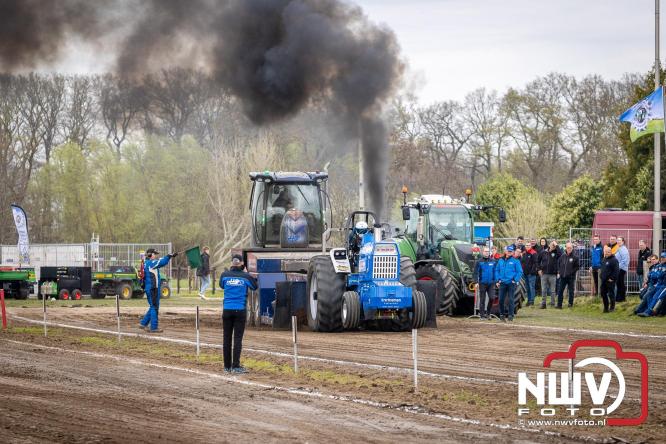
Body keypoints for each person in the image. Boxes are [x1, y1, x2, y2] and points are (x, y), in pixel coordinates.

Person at [220, 254, 258, 373]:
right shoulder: (245, 276)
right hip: (240, 310)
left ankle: (227, 367)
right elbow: (254, 287)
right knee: (237, 339)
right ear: (242, 263)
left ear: (232, 263)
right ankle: (236, 366)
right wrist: (246, 273)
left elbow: (221, 285)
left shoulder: (224, 275)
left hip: (226, 310)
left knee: (226, 338)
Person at [139, 248, 177, 333]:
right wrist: (169, 256)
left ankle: (143, 323)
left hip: (150, 288)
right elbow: (161, 262)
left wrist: (169, 256)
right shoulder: (151, 263)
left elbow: (160, 260)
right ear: (150, 255)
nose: (156, 255)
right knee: (154, 307)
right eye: (154, 254)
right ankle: (154, 327)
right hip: (153, 289)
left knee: (153, 306)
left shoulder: (146, 263)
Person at [496, 245, 523, 321]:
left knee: (511, 299)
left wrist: (515, 280)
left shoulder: (515, 261)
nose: (509, 252)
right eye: (508, 251)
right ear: (505, 251)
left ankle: (511, 316)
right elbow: (497, 270)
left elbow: (520, 271)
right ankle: (502, 315)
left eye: (511, 251)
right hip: (502, 283)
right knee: (501, 299)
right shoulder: (501, 260)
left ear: (513, 252)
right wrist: (498, 280)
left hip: (511, 283)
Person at [638, 252, 666, 317]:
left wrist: (659, 274)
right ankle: (647, 311)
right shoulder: (659, 266)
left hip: (664, 285)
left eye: (664, 258)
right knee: (651, 296)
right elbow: (656, 275)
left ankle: (651, 312)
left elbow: (658, 275)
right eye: (662, 257)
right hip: (659, 285)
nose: (662, 259)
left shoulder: (660, 266)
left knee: (657, 298)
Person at [473, 246, 497, 319]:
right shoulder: (479, 262)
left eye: (488, 251)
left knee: (492, 298)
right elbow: (475, 273)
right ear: (482, 252)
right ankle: (482, 315)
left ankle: (488, 313)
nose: (487, 253)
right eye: (485, 251)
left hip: (491, 283)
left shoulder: (493, 261)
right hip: (482, 283)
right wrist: (476, 282)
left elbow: (496, 272)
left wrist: (497, 281)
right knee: (482, 299)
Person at [537, 240, 560, 308]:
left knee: (552, 291)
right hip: (544, 274)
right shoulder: (543, 252)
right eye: (552, 245)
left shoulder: (556, 253)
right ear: (549, 245)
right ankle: (543, 304)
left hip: (553, 274)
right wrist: (539, 269)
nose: (553, 247)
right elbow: (538, 261)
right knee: (544, 290)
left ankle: (552, 304)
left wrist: (557, 245)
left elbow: (561, 254)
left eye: (554, 246)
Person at [557, 242, 580, 308]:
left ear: (572, 248)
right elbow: (558, 264)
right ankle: (559, 305)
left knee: (571, 291)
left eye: (570, 248)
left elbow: (577, 267)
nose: (569, 249)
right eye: (567, 248)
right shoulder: (562, 256)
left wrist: (571, 272)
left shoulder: (575, 257)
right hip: (563, 277)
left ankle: (570, 304)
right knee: (560, 291)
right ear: (566, 248)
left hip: (571, 277)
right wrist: (559, 272)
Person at [599, 246, 619, 313]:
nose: (607, 253)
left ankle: (612, 308)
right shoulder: (604, 259)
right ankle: (606, 308)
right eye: (606, 252)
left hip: (610, 281)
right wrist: (601, 276)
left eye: (608, 252)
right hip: (604, 280)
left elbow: (616, 271)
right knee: (603, 294)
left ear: (611, 252)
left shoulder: (614, 260)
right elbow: (603, 269)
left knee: (611, 294)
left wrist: (612, 278)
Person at [521, 241, 538, 306]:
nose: (527, 246)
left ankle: (532, 301)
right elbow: (522, 262)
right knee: (527, 288)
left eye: (528, 245)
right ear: (525, 246)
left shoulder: (533, 253)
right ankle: (528, 300)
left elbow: (535, 263)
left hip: (531, 274)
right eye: (526, 245)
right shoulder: (524, 253)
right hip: (525, 273)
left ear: (531, 246)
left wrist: (532, 272)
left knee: (531, 287)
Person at [615, 237, 629, 302]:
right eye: (617, 240)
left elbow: (624, 260)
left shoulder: (623, 249)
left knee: (620, 283)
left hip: (621, 269)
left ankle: (621, 298)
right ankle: (620, 298)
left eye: (619, 240)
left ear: (623, 242)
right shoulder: (620, 248)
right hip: (620, 268)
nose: (618, 241)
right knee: (619, 283)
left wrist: (618, 267)